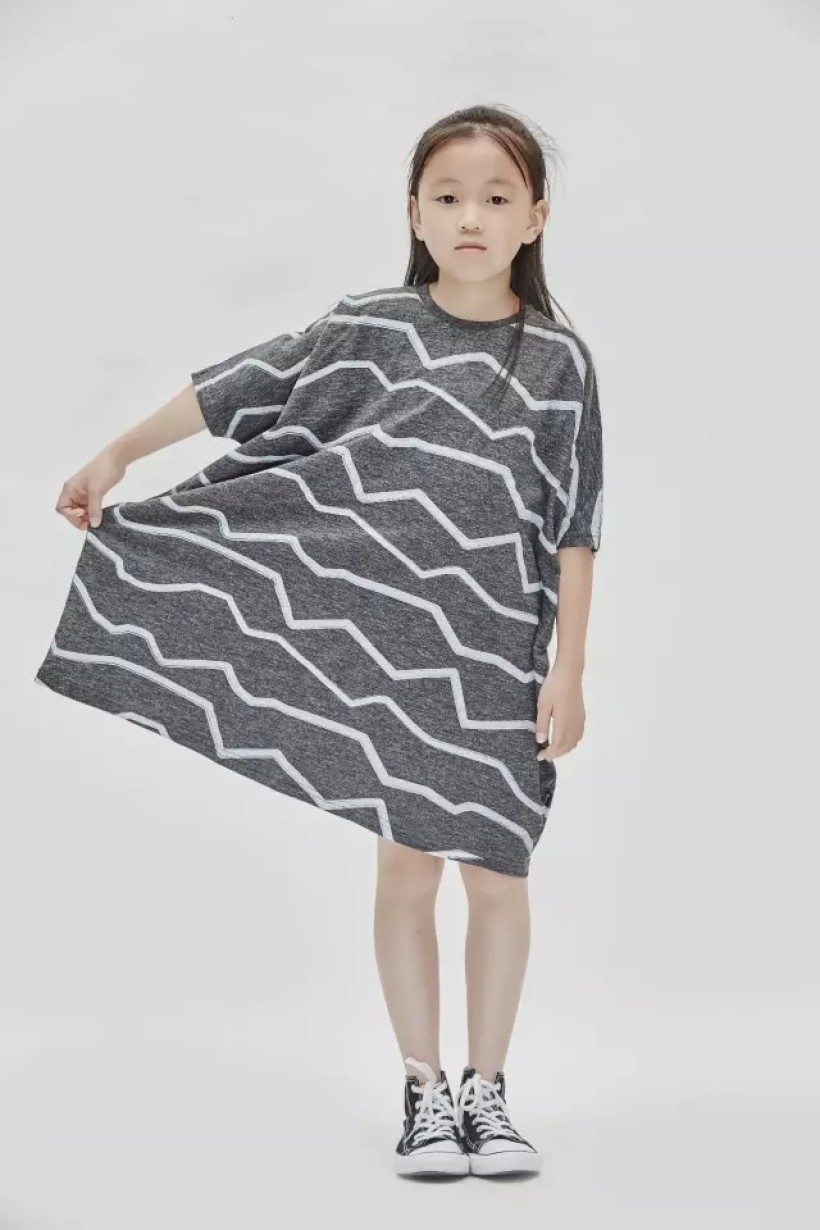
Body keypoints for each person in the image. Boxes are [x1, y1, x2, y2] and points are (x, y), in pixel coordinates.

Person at [34, 103, 603, 1179]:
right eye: (447, 197)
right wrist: (117, 455)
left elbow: (574, 523)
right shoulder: (372, 326)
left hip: (494, 659)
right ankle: (423, 1092)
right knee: (407, 869)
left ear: (534, 218)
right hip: (383, 650)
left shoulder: (559, 363)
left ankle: (489, 1092)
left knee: (497, 874)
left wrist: (569, 671)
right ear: (413, 213)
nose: (470, 218)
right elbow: (244, 385)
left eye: (495, 198)